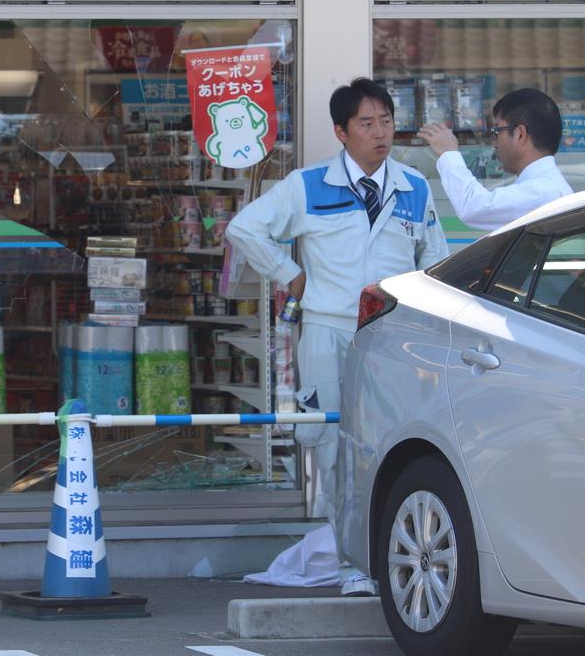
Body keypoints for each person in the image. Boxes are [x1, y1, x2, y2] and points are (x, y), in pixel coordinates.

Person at [226, 77, 449, 596]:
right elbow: (244, 227)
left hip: (391, 338)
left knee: (390, 443)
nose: (380, 133)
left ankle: (379, 557)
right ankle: (350, 563)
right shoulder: (309, 185)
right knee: (331, 445)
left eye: (386, 121)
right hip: (327, 331)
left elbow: (434, 260)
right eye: (367, 124)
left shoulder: (414, 186)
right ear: (341, 132)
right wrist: (292, 277)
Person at [418, 88, 572, 232]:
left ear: (520, 135)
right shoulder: (545, 186)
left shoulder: (541, 192)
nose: (494, 143)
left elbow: (473, 207)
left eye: (496, 131)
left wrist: (449, 153)